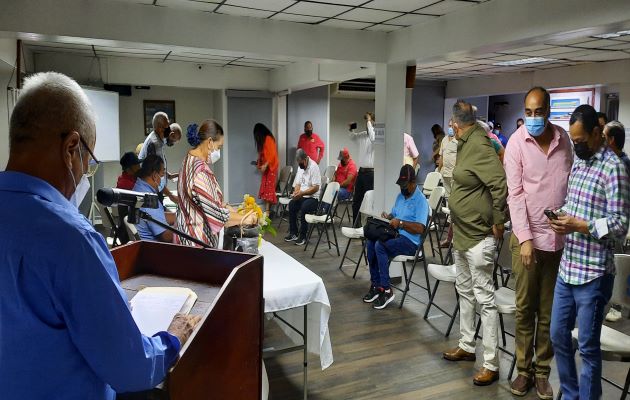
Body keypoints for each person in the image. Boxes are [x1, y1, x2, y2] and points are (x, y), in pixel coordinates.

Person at [0, 72, 199, 399]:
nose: (84, 174)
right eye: (88, 162)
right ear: (71, 148)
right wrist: (172, 337)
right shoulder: (70, 238)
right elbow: (131, 368)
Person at [549, 104, 629, 400]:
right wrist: (561, 217)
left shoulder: (615, 168)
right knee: (558, 336)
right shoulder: (580, 163)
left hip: (594, 274)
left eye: (581, 141)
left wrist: (581, 225)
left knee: (588, 347)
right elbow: (574, 206)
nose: (576, 146)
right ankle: (570, 395)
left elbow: (620, 225)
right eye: (573, 140)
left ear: (598, 133)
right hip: (568, 269)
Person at [504, 87, 573, 399]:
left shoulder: (564, 141)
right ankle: (523, 370)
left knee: (550, 312)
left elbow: (569, 185)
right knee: (525, 309)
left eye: (538, 112)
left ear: (548, 110)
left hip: (558, 241)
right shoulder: (517, 143)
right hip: (527, 241)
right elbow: (515, 195)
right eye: (528, 112)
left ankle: (543, 373)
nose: (533, 118)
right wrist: (526, 238)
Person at [442, 100, 508, 386]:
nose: (451, 130)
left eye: (451, 125)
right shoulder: (465, 142)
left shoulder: (479, 144)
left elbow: (499, 184)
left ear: (456, 124)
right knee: (465, 292)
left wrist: (498, 221)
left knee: (485, 299)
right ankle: (467, 346)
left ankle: (491, 363)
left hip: (480, 236)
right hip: (462, 233)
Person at [363, 164, 429, 310]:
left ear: (413, 183)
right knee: (371, 241)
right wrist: (389, 216)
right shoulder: (400, 196)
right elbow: (395, 214)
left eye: (405, 185)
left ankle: (386, 290)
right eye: (401, 185)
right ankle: (376, 285)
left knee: (380, 246)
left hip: (411, 242)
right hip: (396, 234)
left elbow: (420, 228)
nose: (402, 188)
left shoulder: (421, 201)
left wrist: (400, 223)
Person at [175, 120, 230, 249]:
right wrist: (246, 218)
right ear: (210, 142)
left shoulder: (189, 160)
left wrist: (231, 209)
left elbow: (209, 201)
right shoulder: (199, 172)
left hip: (187, 237)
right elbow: (218, 216)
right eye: (219, 146)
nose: (218, 151)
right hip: (196, 243)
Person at [602, 120, 630, 323]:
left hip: (618, 224)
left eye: (603, 136)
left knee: (619, 261)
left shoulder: (621, 165)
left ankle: (618, 304)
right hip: (611, 223)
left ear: (611, 139)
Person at [132, 155, 174, 243]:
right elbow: (166, 236)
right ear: (155, 175)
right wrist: (185, 226)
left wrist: (179, 217)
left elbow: (156, 216)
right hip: (155, 250)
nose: (163, 179)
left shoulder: (138, 188)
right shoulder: (148, 199)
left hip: (143, 245)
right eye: (162, 174)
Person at [138, 111, 178, 204]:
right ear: (160, 128)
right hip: (151, 191)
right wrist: (171, 196)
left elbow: (158, 170)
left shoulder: (159, 139)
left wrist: (169, 175)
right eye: (167, 126)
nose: (169, 128)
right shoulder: (155, 144)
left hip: (154, 188)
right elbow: (155, 175)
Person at [284, 149, 321, 246]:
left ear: (305, 159)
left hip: (313, 198)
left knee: (305, 207)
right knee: (292, 204)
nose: (300, 165)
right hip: (302, 195)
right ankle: (293, 233)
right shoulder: (300, 167)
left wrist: (302, 193)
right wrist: (296, 193)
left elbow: (316, 188)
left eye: (301, 163)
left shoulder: (314, 167)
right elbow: (298, 183)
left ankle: (303, 236)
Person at [349, 112, 376, 225]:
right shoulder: (363, 134)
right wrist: (351, 129)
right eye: (366, 121)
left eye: (369, 121)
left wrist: (369, 120)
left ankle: (370, 226)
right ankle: (356, 225)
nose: (367, 122)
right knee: (356, 201)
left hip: (371, 173)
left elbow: (373, 137)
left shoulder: (376, 135)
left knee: (369, 201)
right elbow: (352, 137)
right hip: (361, 172)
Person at [253, 123, 279, 213]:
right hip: (267, 166)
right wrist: (259, 163)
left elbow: (272, 155)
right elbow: (262, 154)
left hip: (271, 167)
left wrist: (265, 165)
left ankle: (267, 211)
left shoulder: (269, 139)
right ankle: (267, 211)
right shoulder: (264, 140)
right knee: (265, 186)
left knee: (268, 187)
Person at [438, 119, 457, 197]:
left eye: (451, 126)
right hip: (445, 172)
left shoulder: (459, 140)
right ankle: (447, 208)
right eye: (449, 125)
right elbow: (441, 156)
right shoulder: (444, 139)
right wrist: (439, 170)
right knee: (446, 195)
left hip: (454, 173)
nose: (450, 127)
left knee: (454, 195)